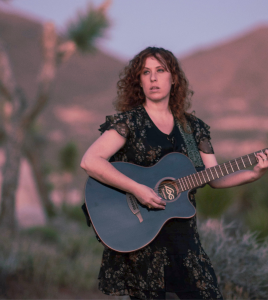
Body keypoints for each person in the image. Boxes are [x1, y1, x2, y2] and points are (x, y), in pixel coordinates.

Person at [80, 47, 268, 300]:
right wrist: (137, 189)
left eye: (160, 71)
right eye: (146, 72)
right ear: (139, 80)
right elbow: (91, 161)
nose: (153, 78)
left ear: (174, 78)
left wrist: (253, 174)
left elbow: (213, 177)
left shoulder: (193, 128)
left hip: (183, 238)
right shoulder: (130, 122)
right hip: (142, 234)